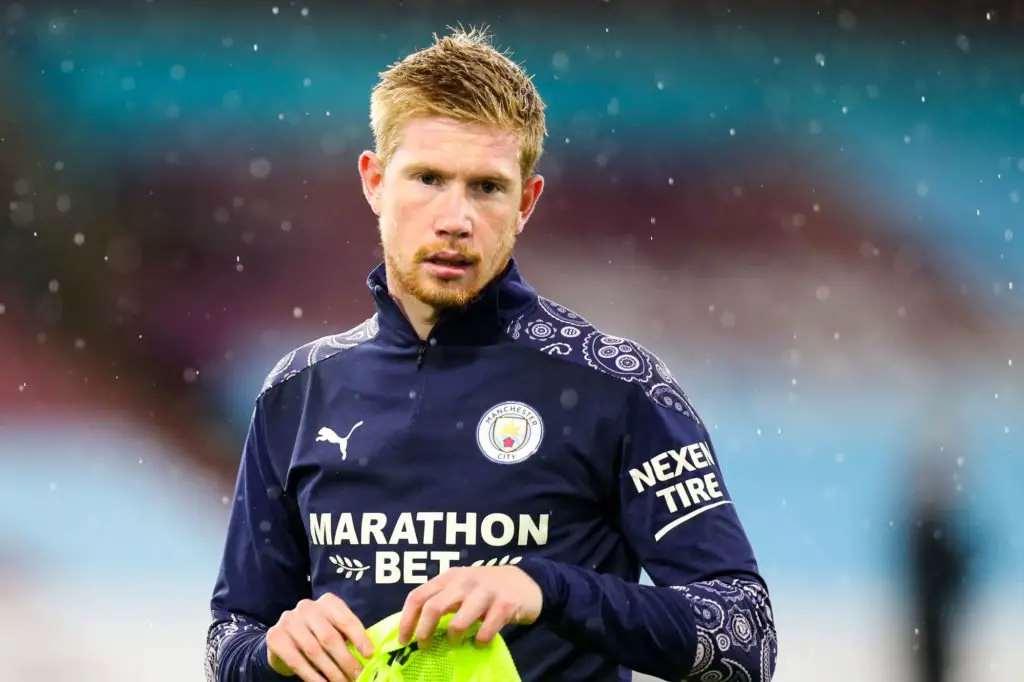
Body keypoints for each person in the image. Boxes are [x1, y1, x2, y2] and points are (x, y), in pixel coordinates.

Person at [205, 27, 777, 682]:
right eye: (427, 178)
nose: (455, 218)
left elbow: (744, 638)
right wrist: (270, 653)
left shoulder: (618, 387)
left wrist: (546, 590)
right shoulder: (297, 392)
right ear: (374, 181)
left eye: (486, 187)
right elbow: (230, 638)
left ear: (526, 201)